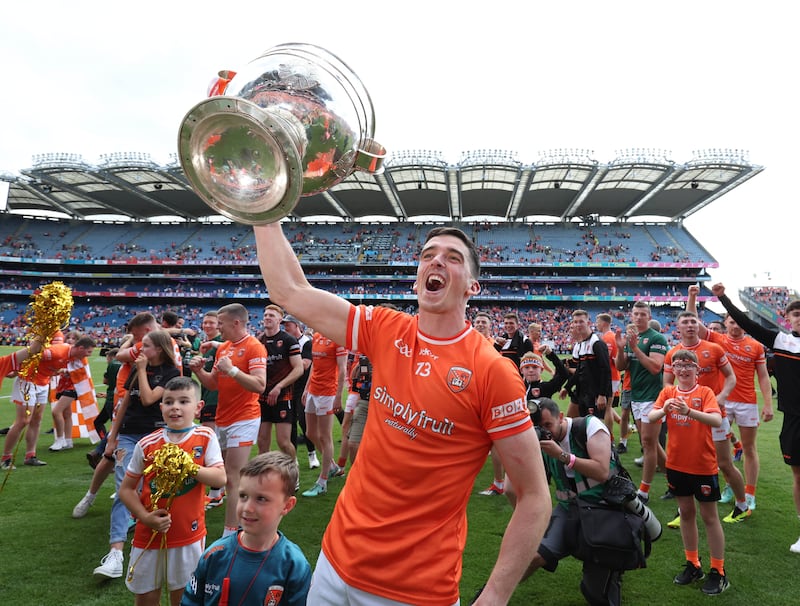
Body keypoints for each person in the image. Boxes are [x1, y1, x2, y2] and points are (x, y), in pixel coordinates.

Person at [253, 222, 551, 605]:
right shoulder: (386, 329)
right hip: (334, 564)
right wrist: (265, 212)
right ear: (416, 279)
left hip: (414, 590)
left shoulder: (491, 370)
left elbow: (534, 496)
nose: (436, 261)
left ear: (472, 286)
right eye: (428, 255)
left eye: (452, 258)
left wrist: (494, 595)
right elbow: (290, 291)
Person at [119, 376, 226, 606]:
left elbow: (220, 477)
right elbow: (126, 490)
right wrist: (146, 517)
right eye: (169, 402)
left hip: (188, 536)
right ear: (161, 408)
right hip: (149, 533)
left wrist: (189, 467)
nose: (175, 407)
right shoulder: (147, 443)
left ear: (197, 408)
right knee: (146, 599)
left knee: (184, 598)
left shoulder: (205, 437)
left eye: (184, 401)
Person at [710, 282, 800, 552]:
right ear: (787, 319)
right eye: (796, 314)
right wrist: (723, 297)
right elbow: (745, 322)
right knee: (798, 475)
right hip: (794, 418)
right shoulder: (781, 340)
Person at [520, 398, 631, 605]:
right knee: (534, 555)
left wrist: (562, 455)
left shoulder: (589, 426)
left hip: (602, 511)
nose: (545, 432)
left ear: (561, 417)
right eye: (538, 427)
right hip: (568, 510)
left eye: (548, 425)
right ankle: (493, 595)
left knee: (595, 593)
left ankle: (612, 570)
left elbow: (602, 471)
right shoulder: (541, 443)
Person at [93, 329, 182, 580]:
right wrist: (112, 438)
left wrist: (142, 370)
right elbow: (125, 405)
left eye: (147, 346)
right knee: (124, 487)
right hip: (127, 438)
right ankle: (116, 553)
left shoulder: (171, 374)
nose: (141, 350)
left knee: (155, 488)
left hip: (155, 438)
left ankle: (155, 535)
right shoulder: (135, 369)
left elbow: (148, 399)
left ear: (160, 349)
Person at [180, 452, 312, 606]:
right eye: (243, 496)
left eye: (261, 499)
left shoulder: (294, 565)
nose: (248, 508)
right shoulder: (214, 555)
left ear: (287, 505)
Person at [648, 350, 730, 595]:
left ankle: (719, 571)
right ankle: (693, 563)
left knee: (709, 517)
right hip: (676, 465)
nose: (683, 369)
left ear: (697, 369)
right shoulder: (668, 392)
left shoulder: (704, 393)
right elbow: (652, 416)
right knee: (685, 513)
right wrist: (665, 410)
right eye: (678, 365)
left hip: (703, 466)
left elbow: (716, 420)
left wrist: (689, 412)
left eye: (688, 365)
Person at [687, 285, 774, 511]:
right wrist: (692, 297)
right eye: (731, 322)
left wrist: (767, 404)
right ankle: (729, 487)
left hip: (746, 402)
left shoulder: (755, 346)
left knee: (749, 448)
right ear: (726, 323)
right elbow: (693, 323)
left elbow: (763, 377)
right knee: (720, 449)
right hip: (722, 402)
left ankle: (750, 493)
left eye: (738, 322)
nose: (735, 326)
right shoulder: (718, 340)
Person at [189, 303, 267, 538]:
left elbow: (260, 385)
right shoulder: (223, 348)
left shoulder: (254, 347)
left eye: (221, 323)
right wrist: (199, 371)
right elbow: (214, 383)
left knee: (232, 476)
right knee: (224, 471)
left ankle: (231, 532)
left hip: (244, 418)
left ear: (236, 323)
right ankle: (243, 512)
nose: (218, 327)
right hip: (223, 417)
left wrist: (232, 371)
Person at [662, 310, 747, 522]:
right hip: (685, 417)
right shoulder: (672, 353)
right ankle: (684, 511)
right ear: (678, 327)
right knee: (687, 463)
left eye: (693, 321)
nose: (690, 325)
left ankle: (742, 504)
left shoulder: (714, 349)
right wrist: (674, 400)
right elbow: (666, 383)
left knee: (725, 463)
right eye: (685, 322)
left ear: (698, 324)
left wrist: (722, 396)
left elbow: (731, 378)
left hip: (714, 415)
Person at [73, 312, 159, 519]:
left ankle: (132, 504)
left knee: (141, 460)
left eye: (138, 338)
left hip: (149, 412)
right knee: (111, 457)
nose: (139, 344)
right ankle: (92, 496)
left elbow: (122, 354)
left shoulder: (153, 345)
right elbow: (121, 355)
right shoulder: (143, 347)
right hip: (127, 412)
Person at [1, 334, 96, 469]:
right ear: (80, 348)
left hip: (43, 383)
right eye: (88, 352)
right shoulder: (56, 351)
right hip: (28, 381)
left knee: (36, 420)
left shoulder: (71, 356)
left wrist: (56, 371)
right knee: (23, 421)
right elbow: (31, 354)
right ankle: (6, 458)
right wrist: (13, 371)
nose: (89, 355)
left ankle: (30, 455)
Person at [614, 301, 668, 503]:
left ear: (649, 315)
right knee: (651, 443)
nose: (638, 317)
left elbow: (655, 368)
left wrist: (635, 349)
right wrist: (621, 349)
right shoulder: (631, 339)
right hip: (636, 396)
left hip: (653, 397)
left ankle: (644, 491)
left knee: (648, 443)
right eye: (635, 314)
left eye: (642, 314)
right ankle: (674, 482)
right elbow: (621, 367)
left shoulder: (656, 338)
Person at [299, 330, 347, 497]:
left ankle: (322, 481)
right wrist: (306, 388)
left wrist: (338, 396)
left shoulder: (338, 338)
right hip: (313, 390)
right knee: (310, 433)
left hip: (327, 392)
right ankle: (333, 466)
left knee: (325, 437)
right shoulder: (317, 336)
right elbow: (314, 365)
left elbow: (342, 369)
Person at [256, 305, 304, 461]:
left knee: (283, 442)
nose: (267, 317)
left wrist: (279, 386)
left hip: (283, 396)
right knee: (262, 442)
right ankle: (264, 476)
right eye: (265, 314)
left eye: (271, 315)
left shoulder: (288, 340)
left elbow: (298, 369)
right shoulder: (259, 340)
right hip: (262, 397)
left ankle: (292, 470)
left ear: (279, 319)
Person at [192, 311, 225, 509]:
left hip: (217, 398)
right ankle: (219, 489)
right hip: (208, 398)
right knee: (214, 443)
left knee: (210, 444)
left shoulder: (220, 343)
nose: (207, 326)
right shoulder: (205, 345)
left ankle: (215, 491)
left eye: (211, 322)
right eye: (205, 322)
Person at [560, 310, 613, 430]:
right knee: (584, 427)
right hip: (584, 393)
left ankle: (608, 447)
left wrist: (602, 394)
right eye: (575, 322)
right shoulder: (582, 344)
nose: (578, 324)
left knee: (595, 427)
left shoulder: (597, 343)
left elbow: (606, 369)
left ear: (588, 322)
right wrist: (567, 387)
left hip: (595, 394)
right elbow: (580, 371)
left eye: (581, 321)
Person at [282, 314, 318, 469]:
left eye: (288, 325)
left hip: (302, 389)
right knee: (290, 424)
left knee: (304, 423)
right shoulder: (284, 342)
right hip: (288, 388)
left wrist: (285, 365)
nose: (286, 328)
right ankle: (293, 459)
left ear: (297, 325)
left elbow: (304, 365)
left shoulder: (306, 342)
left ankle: (312, 454)